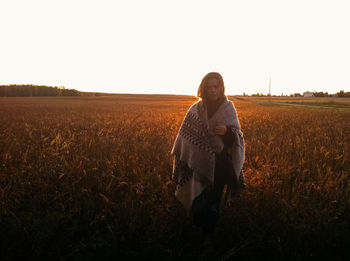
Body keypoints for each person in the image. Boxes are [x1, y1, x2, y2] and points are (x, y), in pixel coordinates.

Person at [171, 72, 245, 239]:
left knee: (213, 203)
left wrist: (227, 132)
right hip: (196, 164)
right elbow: (184, 136)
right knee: (198, 201)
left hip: (220, 166)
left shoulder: (228, 108)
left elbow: (237, 137)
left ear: (221, 88)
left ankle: (209, 237)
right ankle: (197, 235)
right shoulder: (195, 109)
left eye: (216, 87)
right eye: (209, 87)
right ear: (203, 88)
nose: (213, 90)